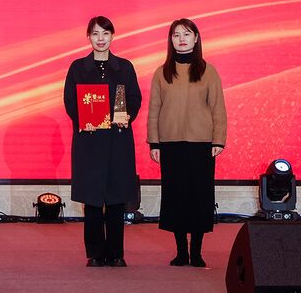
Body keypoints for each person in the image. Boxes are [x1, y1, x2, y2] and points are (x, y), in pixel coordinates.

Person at [63, 15, 143, 267]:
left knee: (117, 199)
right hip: (89, 142)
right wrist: (83, 119)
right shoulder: (78, 68)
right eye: (96, 34)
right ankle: (96, 253)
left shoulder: (124, 67)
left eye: (105, 34)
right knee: (93, 200)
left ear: (112, 36)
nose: (100, 39)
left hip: (118, 142)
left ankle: (116, 253)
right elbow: (70, 101)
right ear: (88, 36)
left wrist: (127, 115)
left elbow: (134, 98)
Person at [147, 18, 227, 268]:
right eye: (176, 35)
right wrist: (154, 143)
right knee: (176, 197)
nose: (181, 39)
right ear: (170, 40)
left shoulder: (208, 71)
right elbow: (154, 110)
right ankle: (181, 251)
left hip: (201, 144)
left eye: (186, 34)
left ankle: (197, 252)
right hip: (170, 144)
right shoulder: (161, 72)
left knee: (200, 197)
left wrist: (218, 140)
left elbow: (218, 108)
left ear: (196, 38)